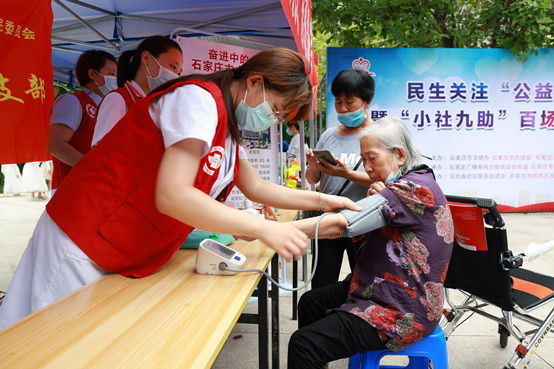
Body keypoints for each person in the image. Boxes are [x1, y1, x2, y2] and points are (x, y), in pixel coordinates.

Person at [0, 47, 360, 329]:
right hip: (81, 235)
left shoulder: (228, 125)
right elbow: (173, 194)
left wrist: (326, 199)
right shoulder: (198, 100)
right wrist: (263, 228)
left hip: (121, 241)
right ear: (254, 82)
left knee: (75, 342)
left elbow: (256, 186)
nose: (273, 120)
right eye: (278, 110)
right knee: (36, 338)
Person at [287, 116, 454, 369]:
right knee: (311, 302)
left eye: (371, 158)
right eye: (363, 159)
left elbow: (342, 224)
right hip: (379, 288)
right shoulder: (404, 184)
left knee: (304, 343)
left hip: (401, 307)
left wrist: (276, 230)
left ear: (399, 154)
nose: (366, 167)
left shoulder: (413, 188)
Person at [305, 68, 376, 289]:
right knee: (321, 283)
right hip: (327, 222)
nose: (343, 108)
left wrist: (347, 175)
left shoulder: (378, 136)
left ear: (367, 101)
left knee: (363, 284)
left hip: (363, 224)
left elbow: (385, 181)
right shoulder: (328, 135)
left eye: (350, 102)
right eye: (338, 102)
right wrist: (313, 167)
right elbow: (313, 179)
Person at [91, 36, 183, 147]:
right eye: (173, 66)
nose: (175, 76)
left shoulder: (154, 107)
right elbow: (102, 151)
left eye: (178, 73)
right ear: (146, 58)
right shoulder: (119, 99)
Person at [47, 49, 117, 193]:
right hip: (72, 187)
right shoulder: (72, 101)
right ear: (92, 74)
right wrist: (94, 169)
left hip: (99, 188)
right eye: (111, 74)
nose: (116, 79)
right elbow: (55, 145)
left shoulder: (108, 106)